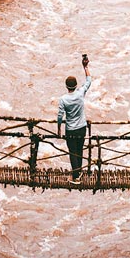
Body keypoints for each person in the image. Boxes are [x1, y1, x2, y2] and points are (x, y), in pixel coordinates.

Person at [57, 54, 91, 186]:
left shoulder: (63, 99)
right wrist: (86, 66)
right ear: (76, 85)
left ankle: (76, 177)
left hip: (70, 129)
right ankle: (80, 172)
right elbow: (88, 81)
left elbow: (60, 116)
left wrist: (59, 128)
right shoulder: (81, 93)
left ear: (66, 87)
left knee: (72, 152)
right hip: (82, 127)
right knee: (80, 149)